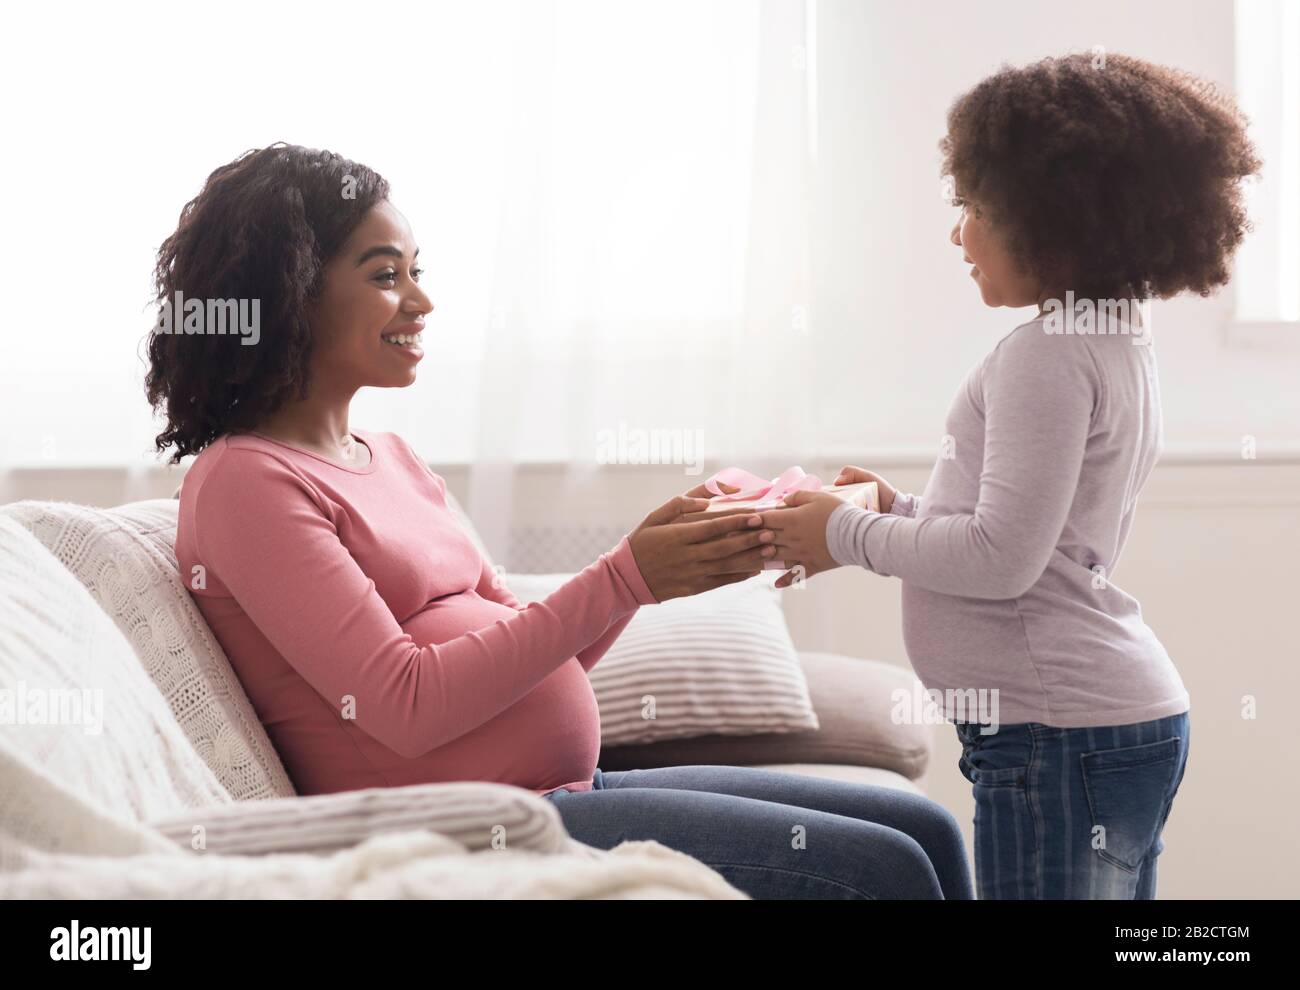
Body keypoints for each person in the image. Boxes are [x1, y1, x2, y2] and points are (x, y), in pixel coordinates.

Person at [146, 143, 972, 900]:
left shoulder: (390, 455)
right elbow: (401, 704)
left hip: (562, 797)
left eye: (416, 269)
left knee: (926, 828)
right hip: (464, 837)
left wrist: (653, 572)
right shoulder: (248, 483)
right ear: (293, 290)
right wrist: (623, 576)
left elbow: (531, 644)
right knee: (884, 870)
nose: (422, 299)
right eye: (385, 273)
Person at [761, 53, 1261, 898]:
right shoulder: (1114, 339)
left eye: (973, 207)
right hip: (1101, 725)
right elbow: (1038, 535)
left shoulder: (1044, 357)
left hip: (1058, 735)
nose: (958, 234)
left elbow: (1004, 559)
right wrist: (899, 508)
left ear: (1055, 223)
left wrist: (845, 535)